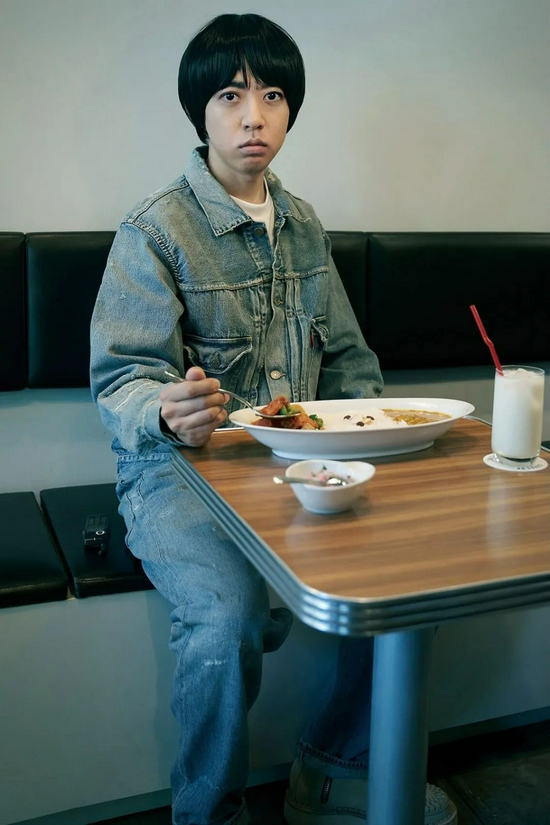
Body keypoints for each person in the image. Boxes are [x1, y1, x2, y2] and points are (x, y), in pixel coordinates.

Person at [90, 13, 456, 825]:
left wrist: (377, 443)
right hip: (178, 474)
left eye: (273, 95)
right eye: (231, 95)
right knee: (226, 617)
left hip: (298, 463)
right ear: (200, 110)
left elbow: (351, 364)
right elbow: (122, 379)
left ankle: (334, 774)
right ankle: (208, 813)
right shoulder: (154, 229)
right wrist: (166, 408)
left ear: (290, 111)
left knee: (410, 571)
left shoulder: (304, 224)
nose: (253, 116)